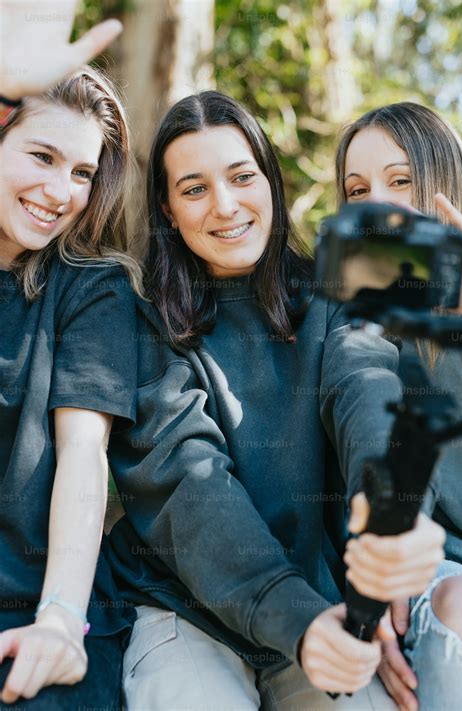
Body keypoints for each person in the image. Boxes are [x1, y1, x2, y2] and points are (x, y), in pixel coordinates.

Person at [107, 91, 445, 711]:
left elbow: (366, 388)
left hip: (317, 605)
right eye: (194, 189)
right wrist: (296, 619)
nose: (226, 206)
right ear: (167, 209)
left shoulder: (335, 293)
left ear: (270, 180)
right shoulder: (142, 325)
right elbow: (190, 489)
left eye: (242, 176)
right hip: (188, 609)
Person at [0, 2, 142, 708]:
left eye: (83, 172)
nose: (62, 193)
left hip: (37, 602)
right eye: (42, 156)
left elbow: (84, 454)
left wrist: (59, 616)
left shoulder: (93, 289)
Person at [335, 101, 462, 711]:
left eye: (400, 181)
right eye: (357, 190)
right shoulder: (354, 320)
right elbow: (366, 422)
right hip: (435, 572)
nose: (379, 206)